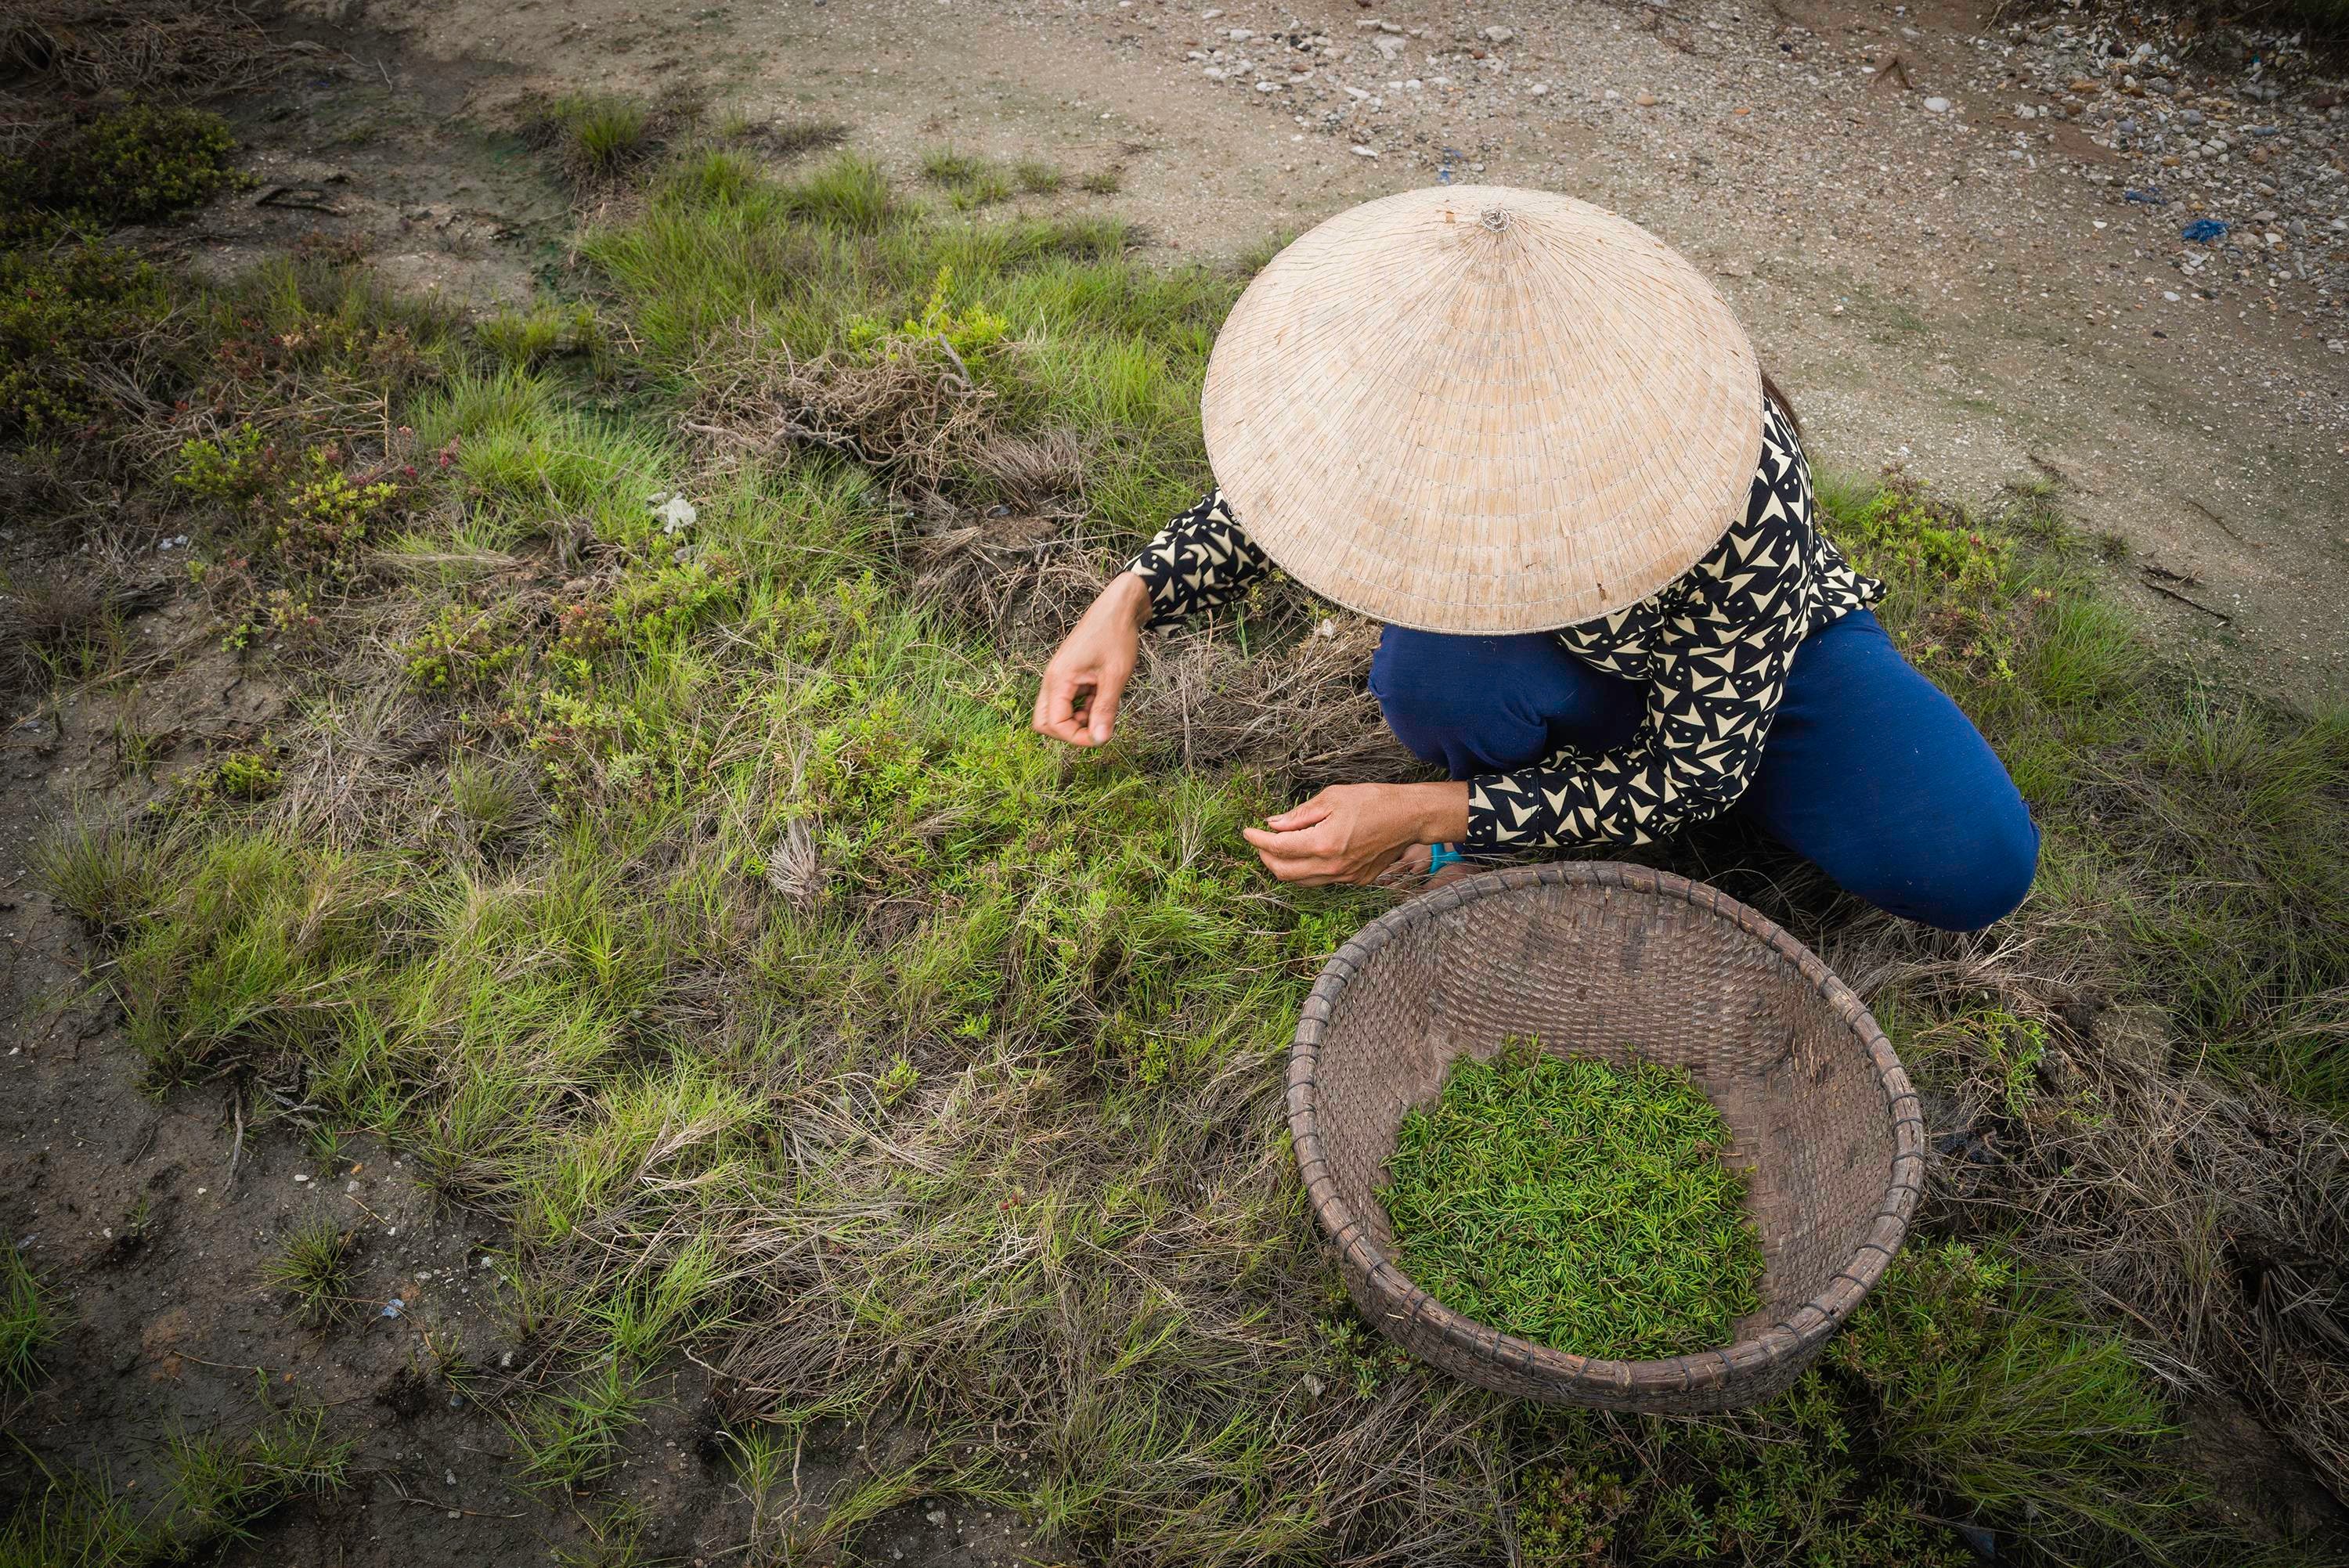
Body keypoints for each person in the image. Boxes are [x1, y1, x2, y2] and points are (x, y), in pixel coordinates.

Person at [1030, 187, 2037, 932]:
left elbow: (1696, 768)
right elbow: (1293, 497)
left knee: (1974, 861)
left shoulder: (1737, 467)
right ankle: (1523, 821)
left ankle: (1576, 810)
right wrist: (1134, 594)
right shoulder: (1417, 401)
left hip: (1764, 660)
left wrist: (1422, 806)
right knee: (1437, 675)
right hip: (1563, 651)